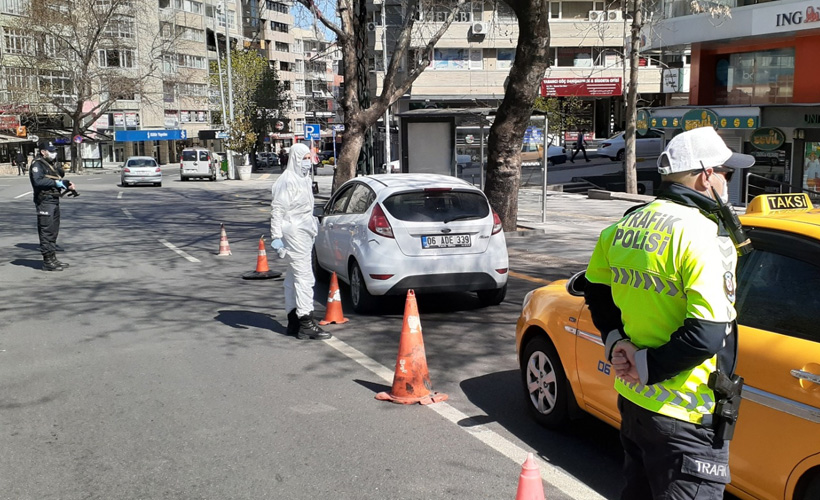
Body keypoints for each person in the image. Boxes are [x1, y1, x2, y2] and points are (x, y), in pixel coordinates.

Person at [583, 126, 753, 499]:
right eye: (726, 173)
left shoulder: (624, 225)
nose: (727, 182)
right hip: (686, 414)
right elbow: (708, 334)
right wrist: (646, 368)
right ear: (706, 175)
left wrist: (617, 343)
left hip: (635, 404)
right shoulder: (703, 235)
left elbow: (595, 291)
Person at [270, 143, 331, 340]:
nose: (306, 162)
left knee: (292, 277)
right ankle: (306, 321)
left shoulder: (303, 178)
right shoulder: (287, 180)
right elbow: (278, 209)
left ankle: (293, 319)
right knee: (305, 277)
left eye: (308, 158)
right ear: (294, 159)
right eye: (303, 158)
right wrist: (276, 236)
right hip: (294, 231)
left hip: (304, 230)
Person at [29, 141, 75, 272]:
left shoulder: (49, 163)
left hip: (53, 200)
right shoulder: (37, 164)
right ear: (43, 152)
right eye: (51, 151)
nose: (54, 153)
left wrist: (63, 181)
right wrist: (57, 183)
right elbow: (38, 181)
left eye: (54, 151)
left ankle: (53, 258)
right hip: (44, 201)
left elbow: (60, 174)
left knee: (53, 231)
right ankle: (47, 261)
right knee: (46, 230)